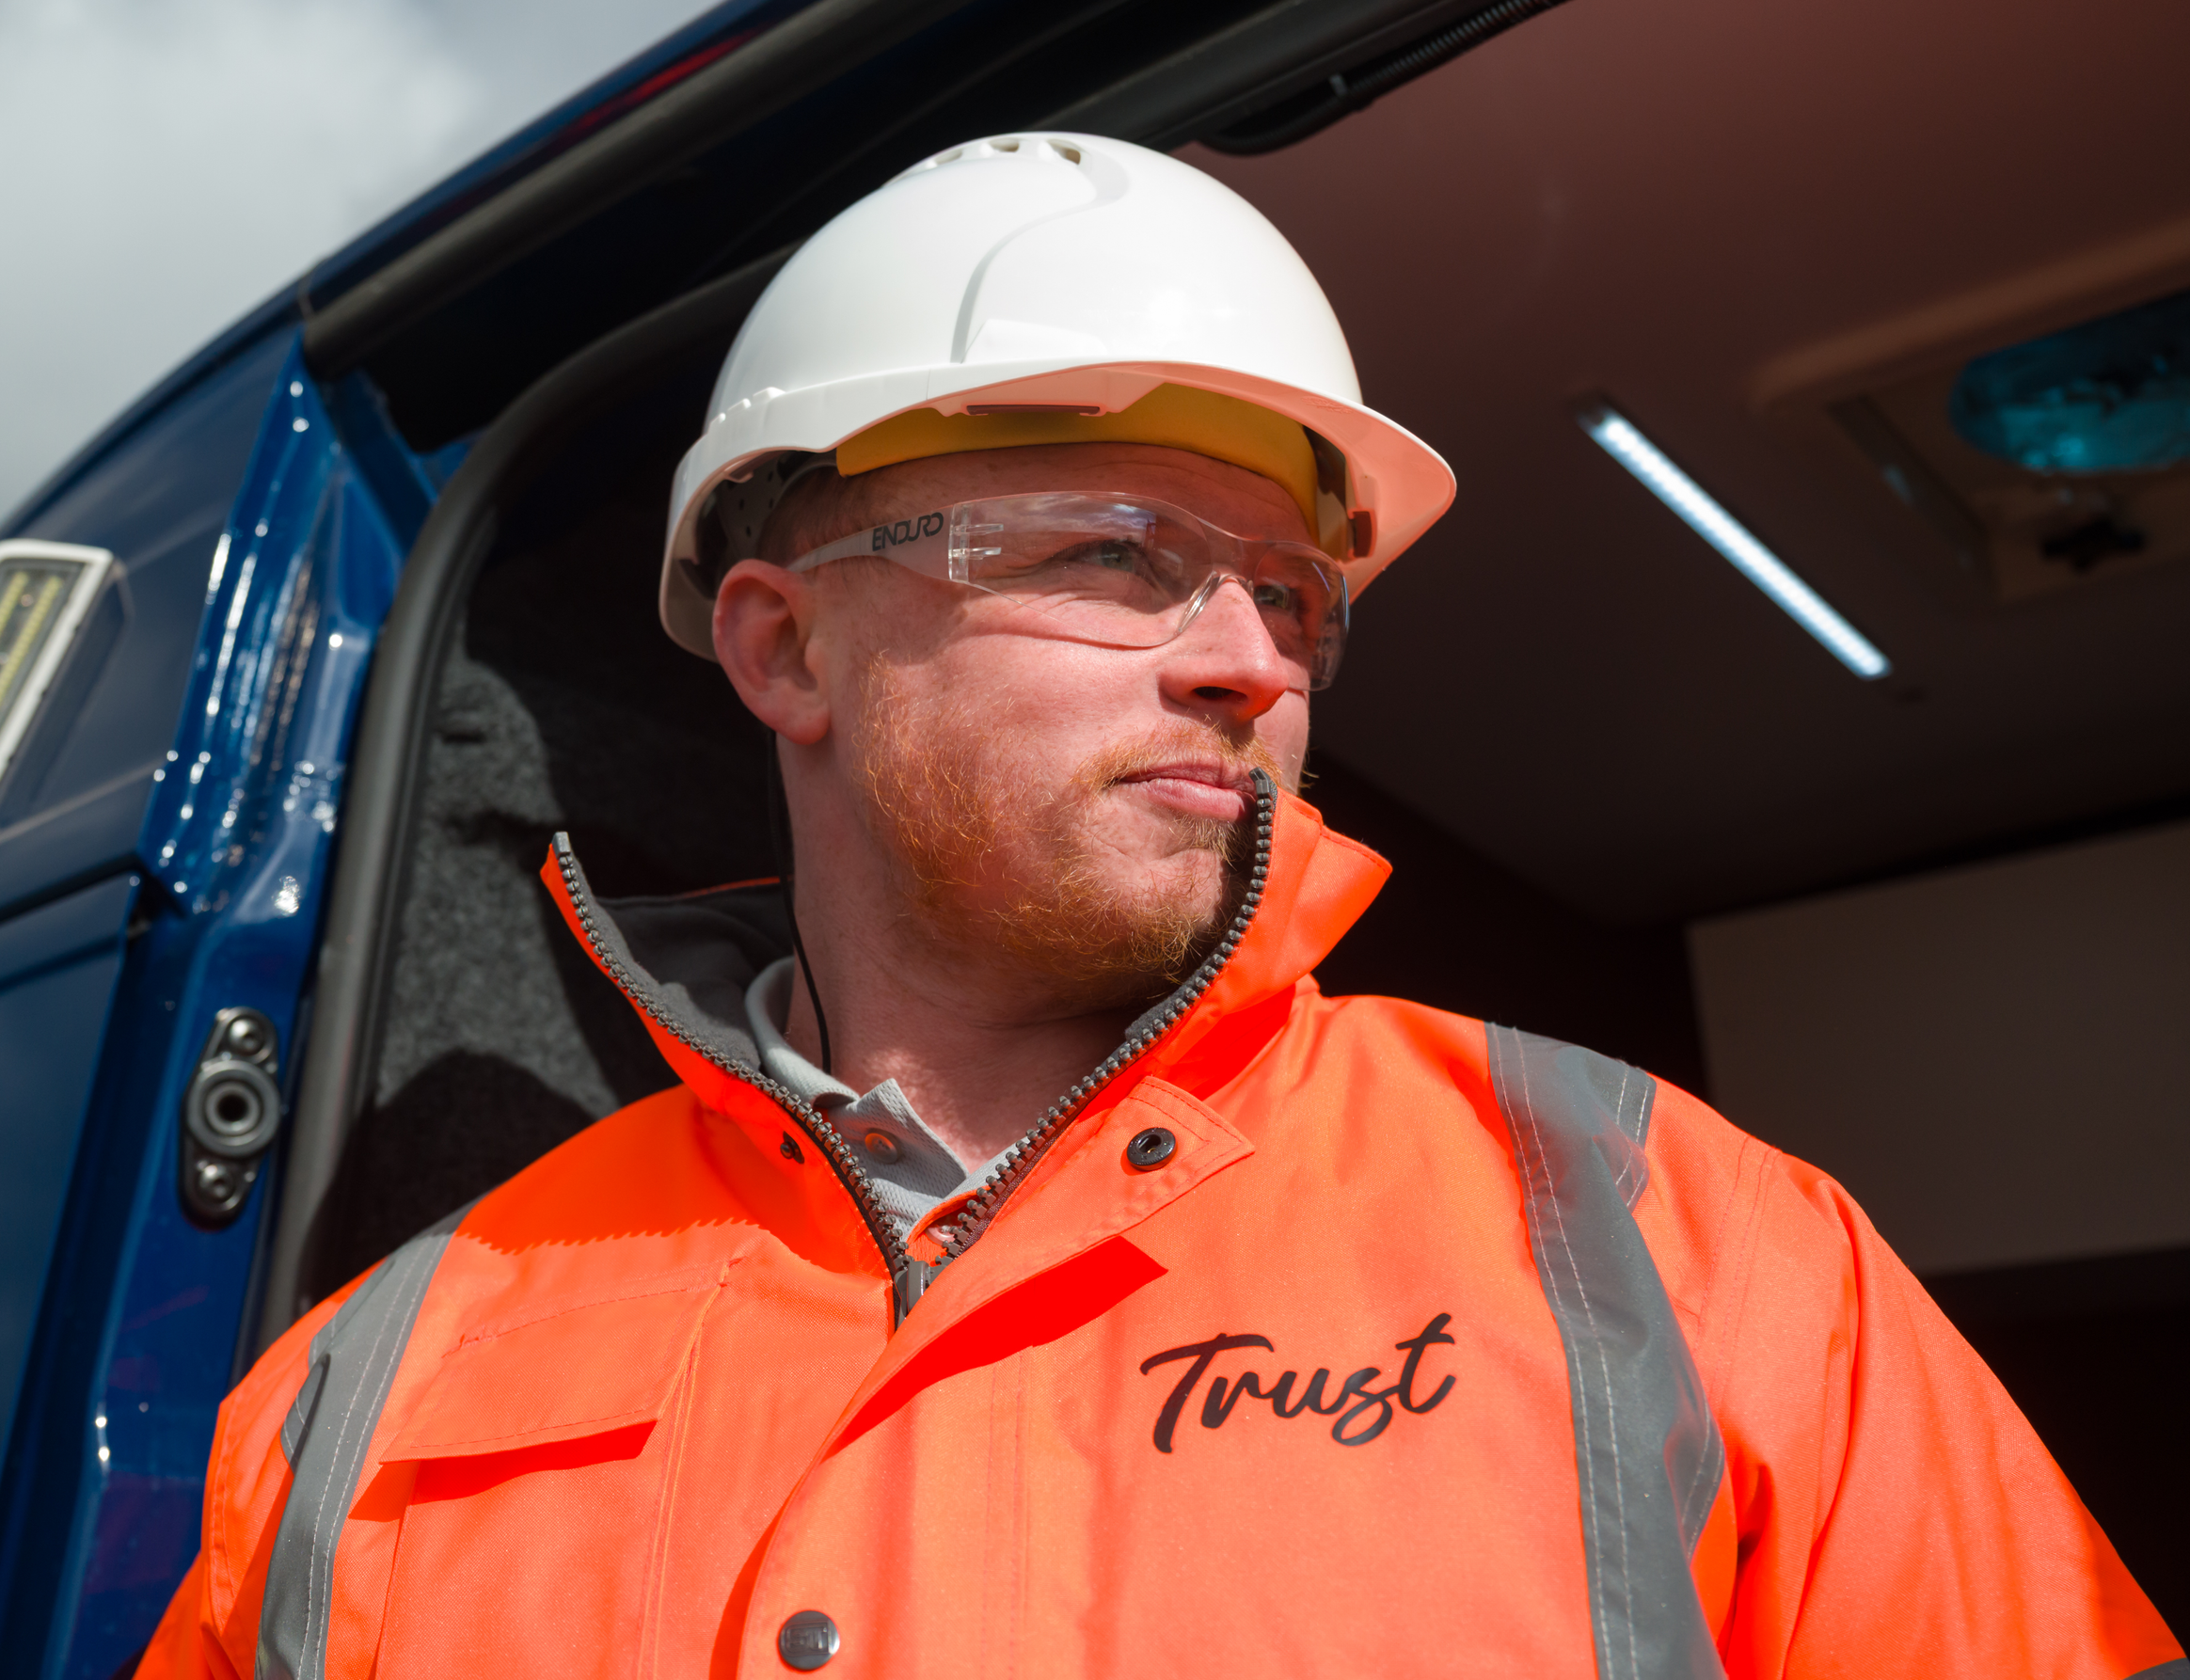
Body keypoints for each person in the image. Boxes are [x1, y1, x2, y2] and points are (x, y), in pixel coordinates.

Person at [137, 135, 2182, 1680]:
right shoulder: (367, 1388)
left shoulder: (1679, 1239)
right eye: (1116, 552)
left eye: (1289, 591)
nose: (1247, 660)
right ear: (779, 648)